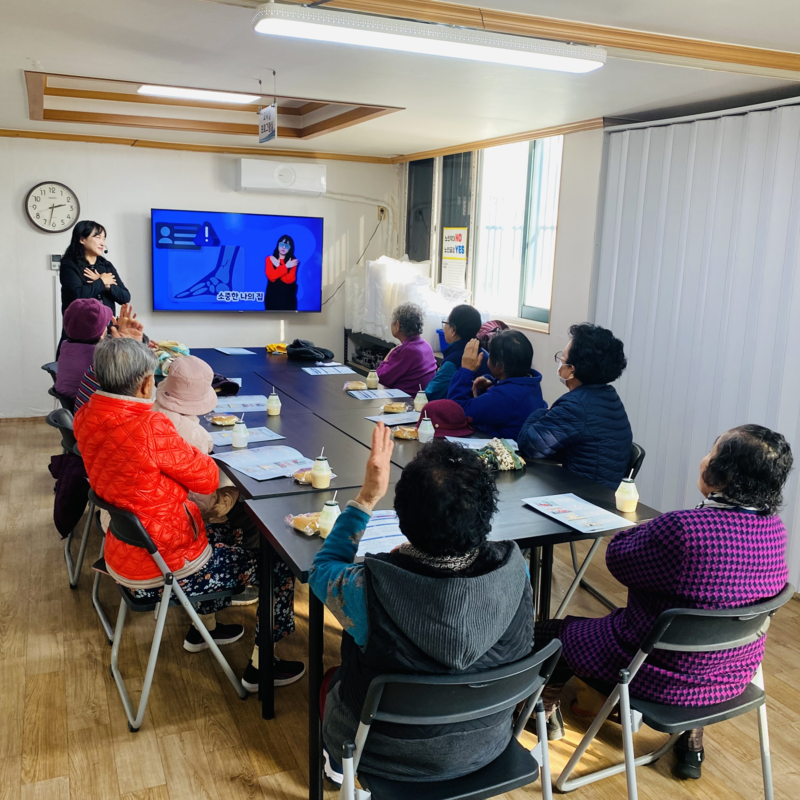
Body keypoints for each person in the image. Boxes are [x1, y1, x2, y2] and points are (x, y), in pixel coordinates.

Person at [533, 425, 792, 780]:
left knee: (549, 632)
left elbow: (619, 561)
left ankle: (540, 714)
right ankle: (692, 740)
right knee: (704, 632)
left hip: (654, 673)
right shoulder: (775, 531)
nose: (704, 459)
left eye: (711, 453)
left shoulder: (683, 528)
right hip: (730, 675)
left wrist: (638, 532)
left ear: (721, 474)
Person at [74, 337, 303, 689]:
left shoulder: (86, 416)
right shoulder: (149, 427)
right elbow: (208, 476)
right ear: (147, 382)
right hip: (164, 569)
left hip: (124, 554)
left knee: (234, 534)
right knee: (280, 562)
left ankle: (204, 628)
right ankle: (262, 666)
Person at [309, 428, 534, 785]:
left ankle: (338, 765)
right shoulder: (516, 569)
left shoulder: (367, 587)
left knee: (329, 680)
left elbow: (322, 568)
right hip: (486, 743)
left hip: (380, 751)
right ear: (486, 511)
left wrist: (367, 498)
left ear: (402, 513)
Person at [518, 323, 633, 489]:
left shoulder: (576, 406)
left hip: (584, 497)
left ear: (572, 370)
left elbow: (529, 445)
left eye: (562, 359)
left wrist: (542, 411)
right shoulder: (609, 396)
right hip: (601, 493)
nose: (560, 363)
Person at [447, 330, 546, 440]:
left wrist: (465, 370)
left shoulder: (505, 396)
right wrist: (491, 384)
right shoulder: (531, 384)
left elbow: (456, 412)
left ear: (500, 366)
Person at [59, 220, 130, 324]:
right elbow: (77, 296)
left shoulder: (106, 266)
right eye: (97, 237)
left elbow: (125, 297)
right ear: (82, 239)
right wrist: (101, 281)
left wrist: (108, 286)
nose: (102, 243)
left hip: (106, 332)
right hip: (79, 332)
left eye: (104, 238)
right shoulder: (69, 265)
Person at [424, 304, 490, 401]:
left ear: (453, 330)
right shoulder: (485, 354)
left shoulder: (453, 361)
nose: (444, 328)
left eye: (445, 323)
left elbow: (429, 395)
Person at [55, 298, 112, 406]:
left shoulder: (66, 346)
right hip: (90, 410)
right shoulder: (99, 357)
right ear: (101, 334)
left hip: (72, 408)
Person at [376, 302, 437, 397]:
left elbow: (380, 378)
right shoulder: (426, 345)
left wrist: (388, 355)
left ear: (398, 325)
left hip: (406, 403)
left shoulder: (406, 351)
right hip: (421, 401)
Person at [265, 235, 299, 311]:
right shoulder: (270, 259)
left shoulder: (293, 261)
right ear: (278, 245)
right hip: (272, 298)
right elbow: (271, 277)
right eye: (282, 244)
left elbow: (289, 280)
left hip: (288, 299)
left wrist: (279, 266)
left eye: (287, 246)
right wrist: (286, 267)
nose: (284, 247)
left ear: (290, 248)